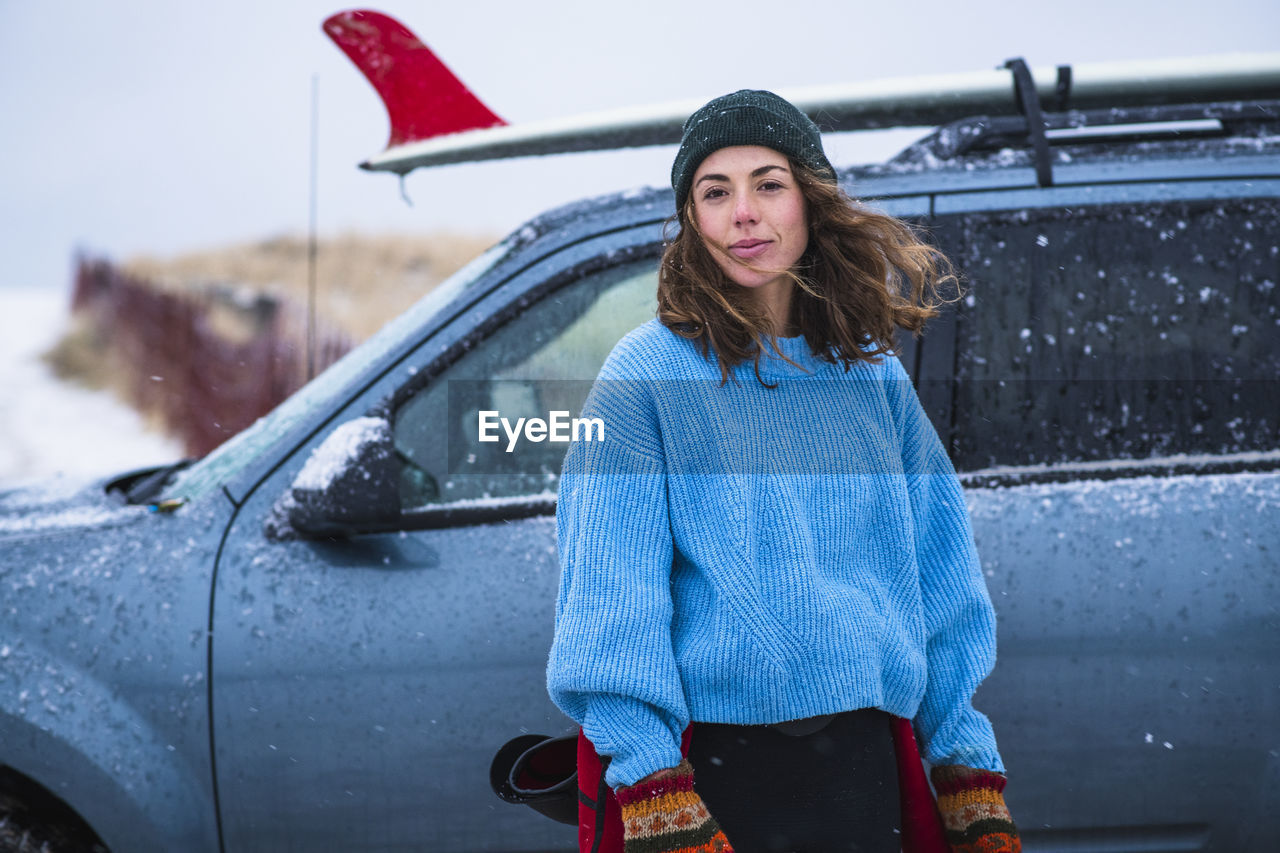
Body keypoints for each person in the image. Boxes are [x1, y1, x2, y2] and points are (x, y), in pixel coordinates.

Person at [547, 89, 1021, 853]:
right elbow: (609, 604)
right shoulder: (646, 375)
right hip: (716, 773)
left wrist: (969, 776)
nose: (744, 212)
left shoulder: (870, 375)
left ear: (811, 201)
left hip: (865, 770)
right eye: (715, 191)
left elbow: (944, 587)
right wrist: (654, 791)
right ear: (692, 221)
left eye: (768, 183)